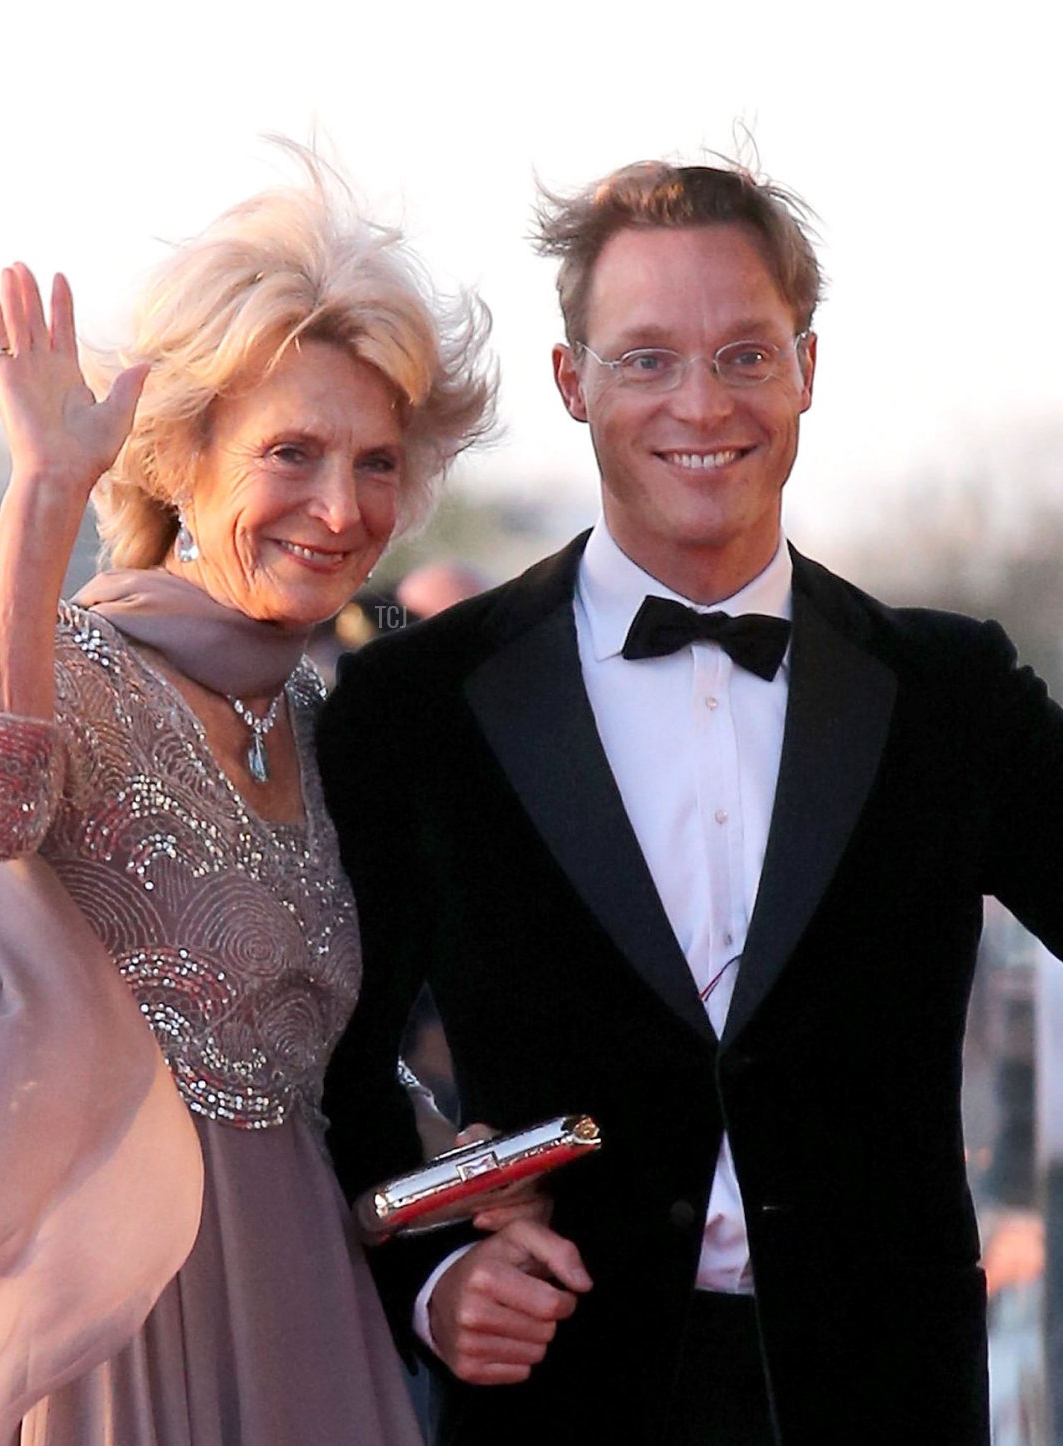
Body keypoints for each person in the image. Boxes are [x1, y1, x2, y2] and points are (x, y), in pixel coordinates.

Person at [316, 157, 1063, 1445]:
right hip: (557, 1404)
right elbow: (328, 1061)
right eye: (648, 358)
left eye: (746, 355)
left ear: (808, 370)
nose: (702, 402)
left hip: (886, 1402)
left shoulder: (953, 694)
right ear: (574, 382)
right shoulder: (418, 704)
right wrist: (429, 1275)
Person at [0, 160, 494, 1443]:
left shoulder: (327, 723)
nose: (341, 508)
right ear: (180, 455)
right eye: (291, 452)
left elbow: (299, 1089)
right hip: (119, 1339)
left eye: (377, 462)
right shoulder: (87, 670)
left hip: (311, 1315)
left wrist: (460, 1161)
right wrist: (41, 494)